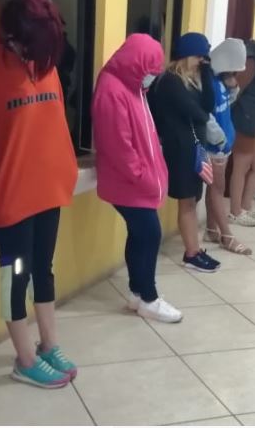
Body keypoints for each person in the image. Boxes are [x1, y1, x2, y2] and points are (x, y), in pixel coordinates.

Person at [0, 0, 78, 389]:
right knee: (16, 275)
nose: (38, 57)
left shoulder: (44, 63)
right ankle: (25, 359)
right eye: (33, 48)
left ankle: (49, 344)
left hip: (49, 192)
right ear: (11, 36)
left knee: (43, 269)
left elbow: (54, 125)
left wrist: (65, 171)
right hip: (11, 200)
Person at [92, 34, 183, 323]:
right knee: (150, 233)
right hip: (128, 182)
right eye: (150, 71)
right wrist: (143, 176)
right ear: (136, 63)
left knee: (140, 234)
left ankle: (137, 293)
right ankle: (149, 298)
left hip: (136, 181)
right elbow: (118, 145)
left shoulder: (134, 87)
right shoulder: (111, 89)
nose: (152, 78)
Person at [148, 32, 221, 273]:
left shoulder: (192, 80)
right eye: (199, 57)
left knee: (192, 200)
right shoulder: (170, 81)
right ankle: (191, 253)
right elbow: (198, 113)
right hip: (180, 150)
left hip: (193, 148)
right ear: (187, 55)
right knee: (187, 201)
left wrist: (207, 74)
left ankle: (194, 250)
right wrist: (203, 110)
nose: (202, 61)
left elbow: (208, 106)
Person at [204, 38, 252, 255]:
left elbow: (225, 105)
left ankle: (211, 229)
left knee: (213, 188)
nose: (234, 73)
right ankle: (227, 235)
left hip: (223, 143)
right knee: (217, 189)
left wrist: (233, 88)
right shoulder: (207, 82)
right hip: (215, 145)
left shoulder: (221, 80)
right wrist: (219, 139)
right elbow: (205, 114)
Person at [228, 36, 255, 227]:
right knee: (241, 166)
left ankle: (246, 207)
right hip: (243, 119)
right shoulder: (251, 59)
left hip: (253, 120)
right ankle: (235, 212)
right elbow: (236, 91)